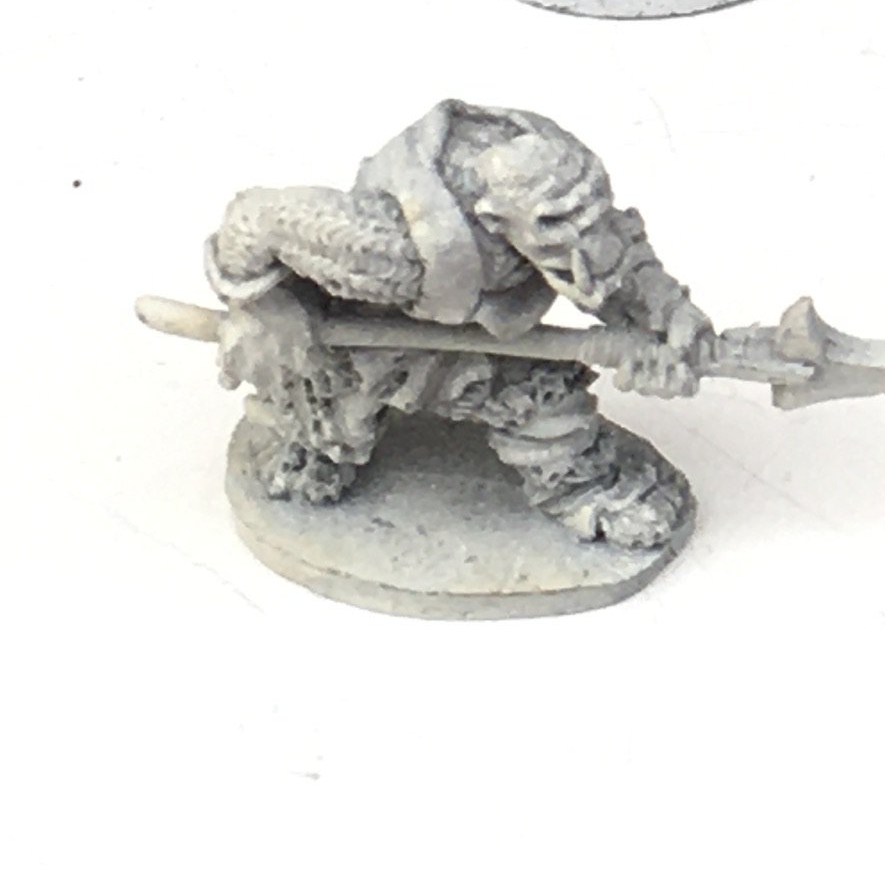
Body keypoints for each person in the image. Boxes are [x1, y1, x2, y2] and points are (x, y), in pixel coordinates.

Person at [208, 103, 714, 552]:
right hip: (364, 337)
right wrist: (262, 307)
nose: (586, 242)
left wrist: (667, 312)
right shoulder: (385, 245)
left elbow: (612, 255)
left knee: (548, 410)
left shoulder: (556, 181)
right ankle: (313, 446)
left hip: (482, 336)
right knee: (329, 420)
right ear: (494, 220)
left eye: (588, 217)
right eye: (556, 228)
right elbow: (254, 219)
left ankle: (581, 488)